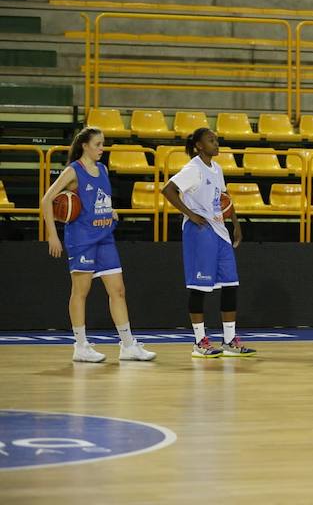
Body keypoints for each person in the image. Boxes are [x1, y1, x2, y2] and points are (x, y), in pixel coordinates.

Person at [41, 127, 156, 363]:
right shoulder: (74, 171)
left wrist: (109, 210)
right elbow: (46, 200)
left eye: (103, 144)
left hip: (105, 238)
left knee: (118, 291)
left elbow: (97, 200)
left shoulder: (102, 169)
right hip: (82, 239)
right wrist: (53, 235)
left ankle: (127, 345)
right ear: (85, 145)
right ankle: (81, 345)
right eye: (98, 144)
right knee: (81, 292)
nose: (102, 148)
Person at [162, 127, 255, 359]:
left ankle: (229, 340)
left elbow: (224, 198)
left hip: (220, 232)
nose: (216, 143)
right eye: (211, 140)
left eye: (216, 139)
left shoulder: (217, 168)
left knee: (231, 285)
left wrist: (236, 223)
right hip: (200, 231)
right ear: (199, 146)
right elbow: (168, 190)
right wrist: (190, 214)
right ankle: (199, 342)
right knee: (199, 287)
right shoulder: (193, 169)